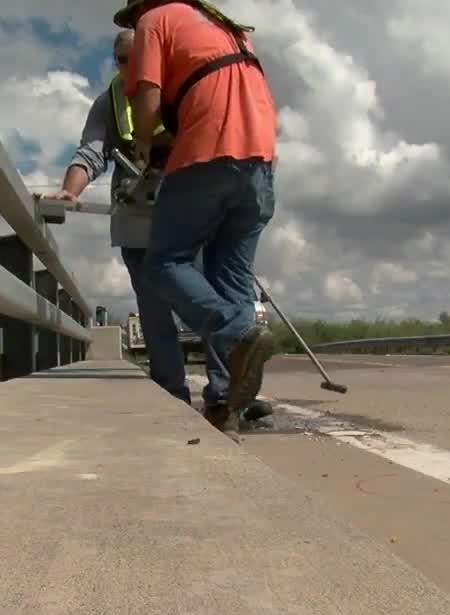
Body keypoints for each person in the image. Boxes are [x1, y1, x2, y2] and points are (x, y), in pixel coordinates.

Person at [47, 29, 272, 425]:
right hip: (139, 216)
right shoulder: (109, 104)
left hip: (190, 213)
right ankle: (173, 396)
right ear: (115, 62)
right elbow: (90, 153)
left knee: (208, 299)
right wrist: (70, 189)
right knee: (155, 314)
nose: (132, 67)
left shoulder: (184, 89)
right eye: (122, 59)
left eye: (140, 57)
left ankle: (226, 395)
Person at [115, 0, 279, 431]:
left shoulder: (155, 19)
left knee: (164, 262)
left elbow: (148, 91)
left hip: (207, 153)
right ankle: (228, 403)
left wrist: (145, 146)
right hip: (261, 162)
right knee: (232, 280)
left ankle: (233, 333)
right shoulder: (227, 26)